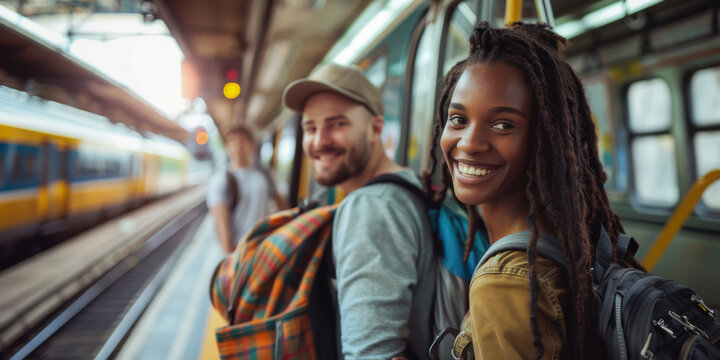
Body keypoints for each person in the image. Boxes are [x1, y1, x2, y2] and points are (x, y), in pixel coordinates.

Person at [423, 23, 644, 359]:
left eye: (503, 125)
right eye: (458, 119)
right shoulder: (575, 238)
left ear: (543, 140)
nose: (469, 143)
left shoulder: (505, 281)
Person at [282, 63, 436, 359]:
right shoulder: (408, 185)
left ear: (375, 129)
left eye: (338, 124)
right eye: (310, 128)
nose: (319, 141)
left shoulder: (371, 208)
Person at [206, 124, 283, 254]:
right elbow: (221, 223)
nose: (238, 146)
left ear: (252, 145)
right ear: (227, 148)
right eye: (232, 142)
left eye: (243, 141)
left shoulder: (264, 176)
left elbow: (281, 205)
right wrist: (230, 257)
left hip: (264, 247)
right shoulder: (221, 180)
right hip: (239, 251)